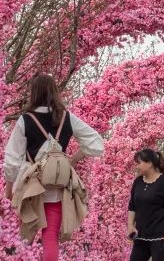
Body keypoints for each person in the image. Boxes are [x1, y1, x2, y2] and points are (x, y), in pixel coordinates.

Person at [4, 73, 104, 261]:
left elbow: (11, 161)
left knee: (21, 237)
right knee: (50, 238)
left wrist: (9, 191)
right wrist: (73, 159)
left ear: (34, 93)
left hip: (29, 189)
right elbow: (97, 144)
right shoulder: (67, 118)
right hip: (56, 189)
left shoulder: (25, 120)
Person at [127, 148, 164, 261]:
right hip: (140, 237)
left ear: (149, 164)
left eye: (139, 163)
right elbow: (132, 206)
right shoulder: (138, 182)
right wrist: (130, 225)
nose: (137, 166)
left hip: (160, 238)